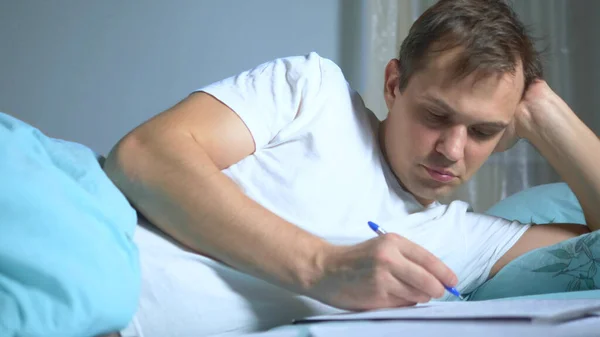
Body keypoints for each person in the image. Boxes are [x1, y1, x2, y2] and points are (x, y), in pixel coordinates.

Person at [104, 0, 600, 335]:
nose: (452, 149)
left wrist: (546, 114)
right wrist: (323, 267)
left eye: (483, 131)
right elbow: (146, 154)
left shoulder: (469, 241)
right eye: (436, 115)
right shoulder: (314, 93)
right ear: (393, 84)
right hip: (83, 276)